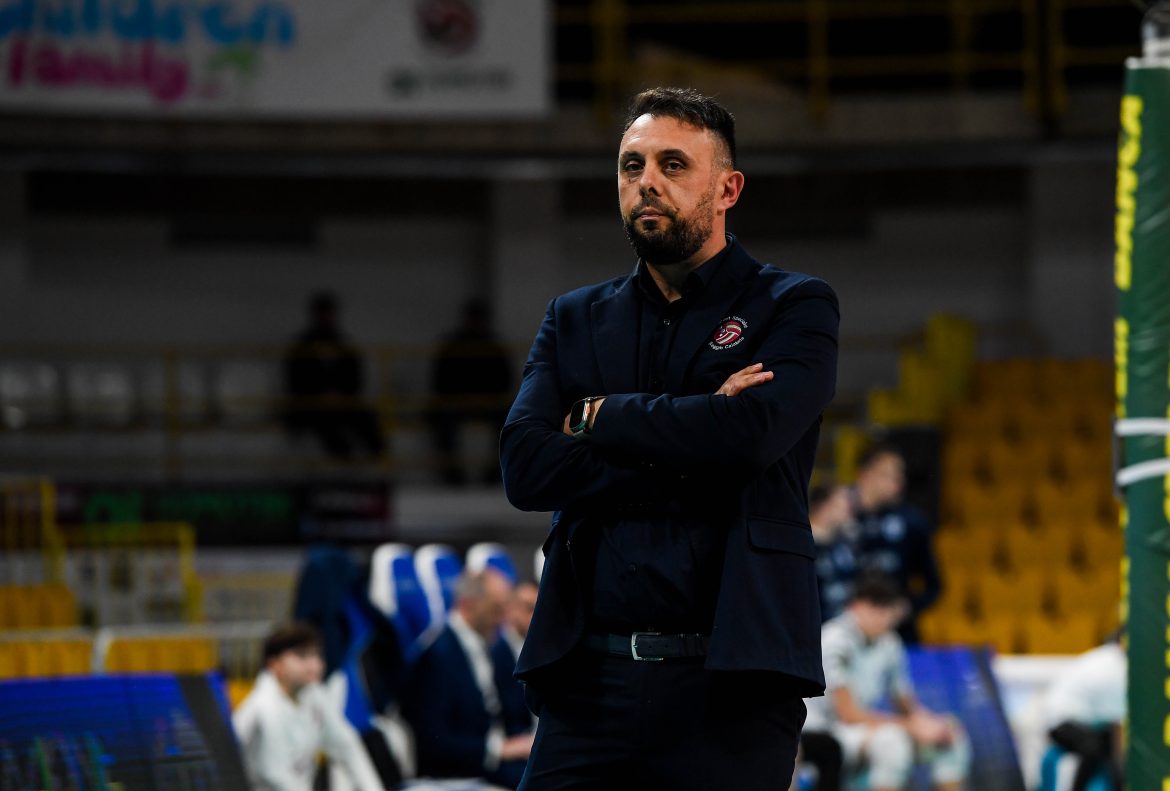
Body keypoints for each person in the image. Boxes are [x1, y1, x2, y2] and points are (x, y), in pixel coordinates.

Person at [499, 86, 839, 791]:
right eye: (632, 165)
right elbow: (526, 468)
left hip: (733, 689)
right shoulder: (574, 318)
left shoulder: (794, 306)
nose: (647, 181)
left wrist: (597, 418)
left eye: (673, 164)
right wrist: (696, 430)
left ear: (728, 189)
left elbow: (747, 439)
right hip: (586, 686)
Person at [806, 572, 970, 791]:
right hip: (826, 732)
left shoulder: (889, 642)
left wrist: (927, 723)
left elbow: (904, 700)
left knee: (951, 736)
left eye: (887, 609)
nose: (882, 618)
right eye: (875, 608)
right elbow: (848, 714)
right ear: (856, 606)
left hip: (863, 729)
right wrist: (910, 726)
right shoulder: (834, 639)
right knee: (892, 743)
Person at [402, 569, 534, 789]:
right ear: (467, 604)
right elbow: (434, 742)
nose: (502, 620)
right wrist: (500, 749)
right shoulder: (435, 657)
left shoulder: (488, 647)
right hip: (460, 774)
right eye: (495, 610)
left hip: (496, 765)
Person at [233, 621, 386, 791]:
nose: (314, 664)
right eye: (302, 656)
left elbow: (347, 747)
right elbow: (276, 775)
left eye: (316, 655)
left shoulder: (314, 695)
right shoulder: (262, 707)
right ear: (274, 664)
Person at [850, 444, 941, 644]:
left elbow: (934, 585)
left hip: (897, 634)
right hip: (844, 631)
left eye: (900, 474)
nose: (898, 481)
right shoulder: (838, 517)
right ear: (864, 474)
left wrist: (903, 609)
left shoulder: (912, 522)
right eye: (887, 474)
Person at [282, 291, 384, 460]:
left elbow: (356, 379)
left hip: (341, 404)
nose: (326, 317)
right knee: (328, 428)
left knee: (368, 421)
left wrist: (340, 395)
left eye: (328, 313)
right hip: (311, 406)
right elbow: (295, 381)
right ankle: (345, 461)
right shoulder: (301, 347)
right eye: (323, 313)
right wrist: (321, 395)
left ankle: (378, 461)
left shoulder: (343, 345)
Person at [428, 298, 514, 485]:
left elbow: (505, 380)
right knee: (441, 419)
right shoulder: (454, 346)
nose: (474, 324)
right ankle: (452, 475)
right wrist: (458, 397)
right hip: (457, 402)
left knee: (511, 421)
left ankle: (494, 474)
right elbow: (440, 379)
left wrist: (487, 397)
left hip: (488, 402)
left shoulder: (492, 347)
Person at [1041, 632, 1126, 791]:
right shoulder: (1114, 667)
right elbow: (1117, 726)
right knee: (1093, 749)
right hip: (1062, 723)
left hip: (1073, 721)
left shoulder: (1107, 658)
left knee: (1105, 747)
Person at [493, 581, 539, 738]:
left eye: (539, 609)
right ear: (510, 609)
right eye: (529, 608)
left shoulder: (545, 650)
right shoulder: (495, 654)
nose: (535, 616)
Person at [811, 483, 859, 623]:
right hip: (813, 623)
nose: (850, 507)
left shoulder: (845, 544)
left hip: (842, 622)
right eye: (844, 502)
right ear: (823, 506)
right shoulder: (801, 544)